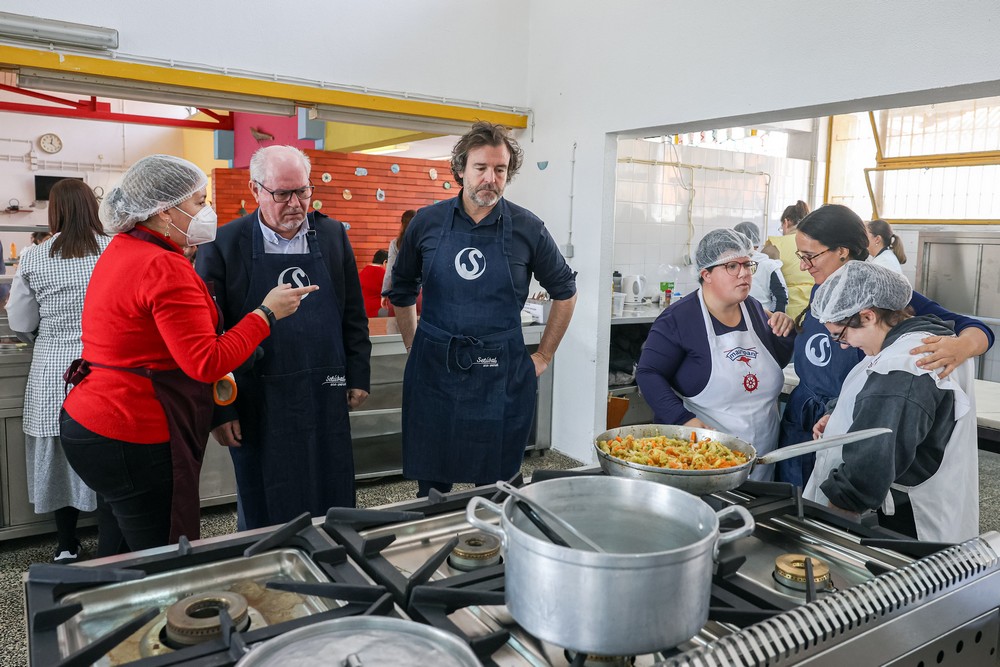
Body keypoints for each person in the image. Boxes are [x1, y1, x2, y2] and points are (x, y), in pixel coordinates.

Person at [60, 154, 313, 556]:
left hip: (91, 422)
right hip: (133, 429)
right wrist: (266, 314)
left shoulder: (125, 249)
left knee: (122, 547)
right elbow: (206, 361)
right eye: (198, 202)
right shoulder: (163, 265)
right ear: (163, 212)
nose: (207, 211)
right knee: (163, 554)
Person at [386, 121, 577, 497]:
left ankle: (500, 549)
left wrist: (544, 354)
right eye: (481, 168)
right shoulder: (426, 222)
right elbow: (402, 290)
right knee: (432, 484)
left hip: (500, 374)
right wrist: (415, 347)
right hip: (435, 369)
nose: (491, 178)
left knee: (498, 485)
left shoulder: (528, 228)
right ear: (460, 169)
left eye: (500, 170)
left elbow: (566, 292)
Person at [196, 145, 371, 529]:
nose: (295, 203)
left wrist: (358, 374)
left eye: (303, 192)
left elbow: (353, 314)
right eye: (281, 194)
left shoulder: (331, 235)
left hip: (326, 389)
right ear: (255, 190)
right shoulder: (222, 245)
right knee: (266, 503)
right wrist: (220, 410)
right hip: (258, 399)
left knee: (332, 492)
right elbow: (211, 335)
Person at [775, 204, 993, 487]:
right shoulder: (821, 285)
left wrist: (961, 346)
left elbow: (975, 328)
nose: (803, 265)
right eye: (799, 256)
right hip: (805, 412)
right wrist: (790, 323)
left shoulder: (879, 290)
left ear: (841, 250)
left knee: (835, 494)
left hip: (849, 417)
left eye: (810, 256)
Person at [804, 261, 977, 542]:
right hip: (928, 501)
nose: (845, 345)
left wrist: (831, 525)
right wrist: (839, 414)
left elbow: (872, 459)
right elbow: (878, 395)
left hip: (910, 519)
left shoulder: (904, 365)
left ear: (869, 315)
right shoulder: (923, 337)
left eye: (841, 335)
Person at [635, 229, 795, 481]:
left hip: (763, 457)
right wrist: (682, 419)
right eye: (731, 266)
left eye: (746, 264)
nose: (743, 273)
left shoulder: (753, 309)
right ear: (706, 273)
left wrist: (784, 333)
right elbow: (648, 373)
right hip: (703, 457)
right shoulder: (679, 319)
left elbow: (765, 368)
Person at [5, 180, 109, 562]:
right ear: (92, 208)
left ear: (55, 212)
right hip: (106, 364)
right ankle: (116, 542)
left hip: (53, 369)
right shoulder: (114, 249)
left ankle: (67, 545)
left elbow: (19, 319)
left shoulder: (35, 256)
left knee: (59, 448)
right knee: (109, 446)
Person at [762, 201, 813, 320]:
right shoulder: (816, 243)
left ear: (786, 221)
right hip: (814, 310)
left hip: (786, 315)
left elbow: (760, 280)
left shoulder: (775, 246)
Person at [734, 221, 788, 312]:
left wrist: (772, 319)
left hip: (761, 318)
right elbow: (781, 297)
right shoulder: (769, 265)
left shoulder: (730, 265)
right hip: (761, 317)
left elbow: (780, 297)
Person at [381, 209, 419, 317]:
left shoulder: (396, 243)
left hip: (400, 293)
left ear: (402, 223)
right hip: (421, 295)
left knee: (396, 330)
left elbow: (390, 272)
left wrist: (384, 293)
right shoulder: (423, 242)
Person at [359, 249, 388, 317]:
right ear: (385, 262)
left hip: (362, 311)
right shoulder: (384, 274)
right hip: (377, 311)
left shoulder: (363, 272)